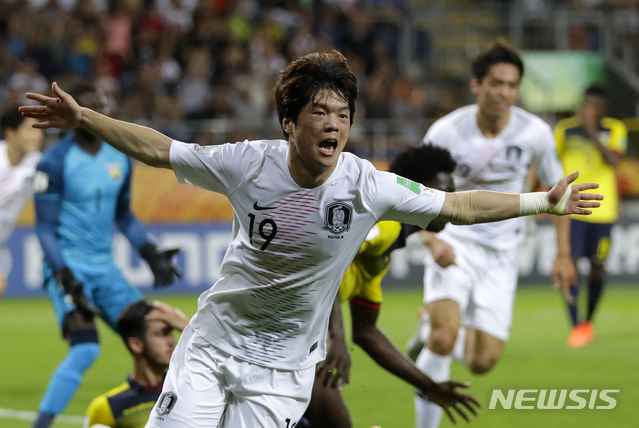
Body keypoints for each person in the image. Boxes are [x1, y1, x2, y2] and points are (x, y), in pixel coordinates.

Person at [20, 50, 601, 428]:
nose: (333, 124)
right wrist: (86, 119)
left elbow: (458, 204)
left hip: (285, 370)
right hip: (214, 344)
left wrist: (541, 201)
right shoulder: (246, 162)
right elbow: (158, 148)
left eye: (343, 115)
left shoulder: (368, 185)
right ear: (289, 123)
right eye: (320, 112)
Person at [412, 40, 579, 428]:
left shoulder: (535, 132)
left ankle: (428, 329)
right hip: (454, 241)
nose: (504, 93)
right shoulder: (447, 131)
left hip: (503, 253)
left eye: (511, 85)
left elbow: (559, 194)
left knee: (481, 361)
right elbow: (411, 189)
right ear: (477, 85)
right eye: (496, 83)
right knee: (444, 338)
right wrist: (431, 238)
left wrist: (563, 253)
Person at [28, 84, 182, 428]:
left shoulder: (119, 158)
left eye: (103, 106)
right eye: (92, 107)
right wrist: (64, 275)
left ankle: (176, 415)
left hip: (106, 269)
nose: (100, 112)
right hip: (69, 266)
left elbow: (123, 215)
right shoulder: (54, 162)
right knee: (85, 348)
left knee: (154, 339)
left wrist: (149, 251)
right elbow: (45, 228)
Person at [301, 143, 458, 428]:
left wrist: (429, 385)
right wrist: (336, 337)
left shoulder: (380, 256)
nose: (452, 199)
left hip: (292, 337)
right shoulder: (387, 225)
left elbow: (366, 332)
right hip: (272, 332)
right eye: (444, 191)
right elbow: (328, 256)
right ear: (419, 190)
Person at [554, 85, 627, 348]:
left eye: (594, 105)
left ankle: (588, 322)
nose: (588, 109)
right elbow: (551, 163)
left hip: (604, 212)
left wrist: (591, 130)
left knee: (598, 269)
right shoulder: (564, 129)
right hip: (572, 209)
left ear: (603, 108)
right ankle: (575, 326)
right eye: (586, 103)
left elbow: (614, 161)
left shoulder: (615, 129)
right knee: (569, 264)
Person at [85, 300, 189, 428]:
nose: (172, 341)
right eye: (161, 334)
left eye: (171, 332)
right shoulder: (107, 407)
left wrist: (188, 327)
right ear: (136, 345)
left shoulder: (189, 390)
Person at [0, 109, 43, 296]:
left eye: (39, 129)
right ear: (11, 133)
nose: (38, 135)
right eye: (30, 130)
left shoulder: (37, 164)